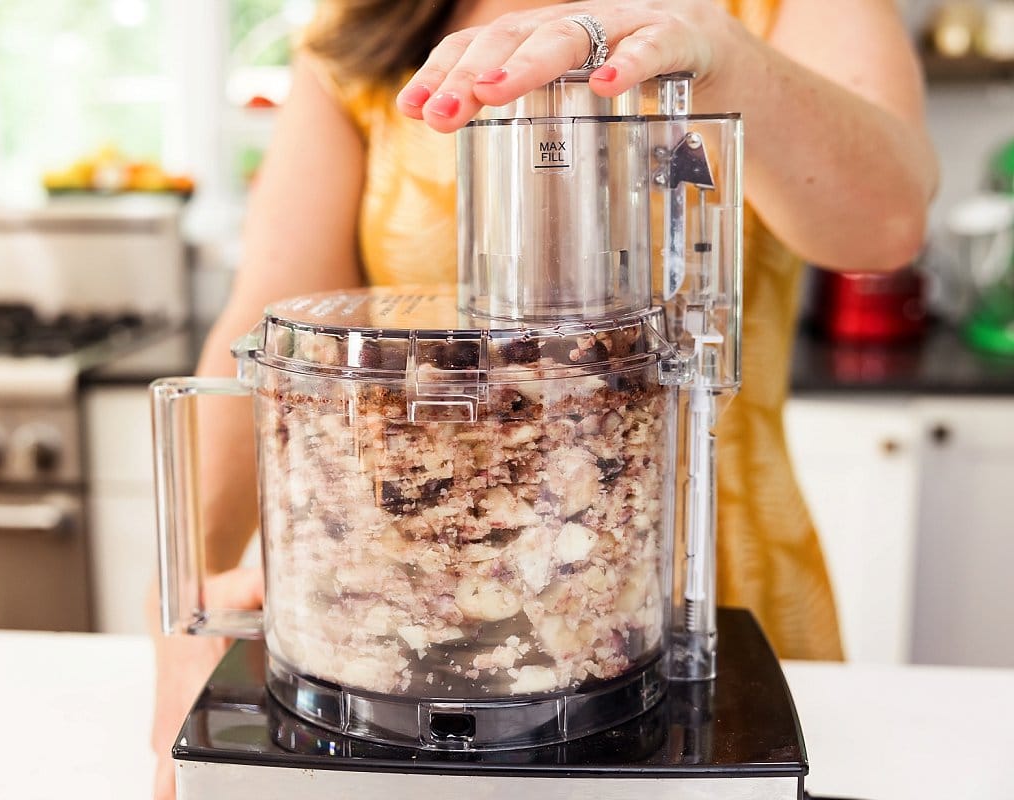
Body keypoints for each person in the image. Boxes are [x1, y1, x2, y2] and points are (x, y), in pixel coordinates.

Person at [151, 1, 935, 796]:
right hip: (401, 621)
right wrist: (185, 605)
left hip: (719, 582)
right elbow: (265, 318)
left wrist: (721, 56)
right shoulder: (364, 30)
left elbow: (889, 223)